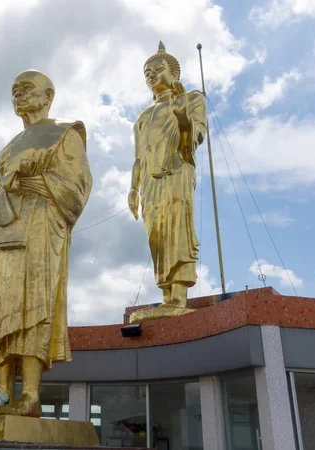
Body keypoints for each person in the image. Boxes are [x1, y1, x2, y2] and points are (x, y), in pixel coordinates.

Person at [0, 70, 92, 417]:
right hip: (6, 233)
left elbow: (77, 188)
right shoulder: (6, 149)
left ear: (48, 96)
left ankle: (31, 394)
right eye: (14, 90)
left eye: (26, 89)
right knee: (4, 310)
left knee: (33, 306)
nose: (18, 95)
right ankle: (2, 392)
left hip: (41, 225)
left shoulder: (65, 132)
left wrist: (34, 183)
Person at [128, 42, 207, 315]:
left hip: (176, 171)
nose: (151, 75)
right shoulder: (142, 116)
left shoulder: (193, 98)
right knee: (157, 236)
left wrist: (182, 115)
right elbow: (139, 156)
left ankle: (179, 296)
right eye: (146, 72)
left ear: (174, 73)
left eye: (157, 69)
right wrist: (132, 188)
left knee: (178, 229)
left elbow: (193, 140)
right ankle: (165, 294)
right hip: (150, 182)